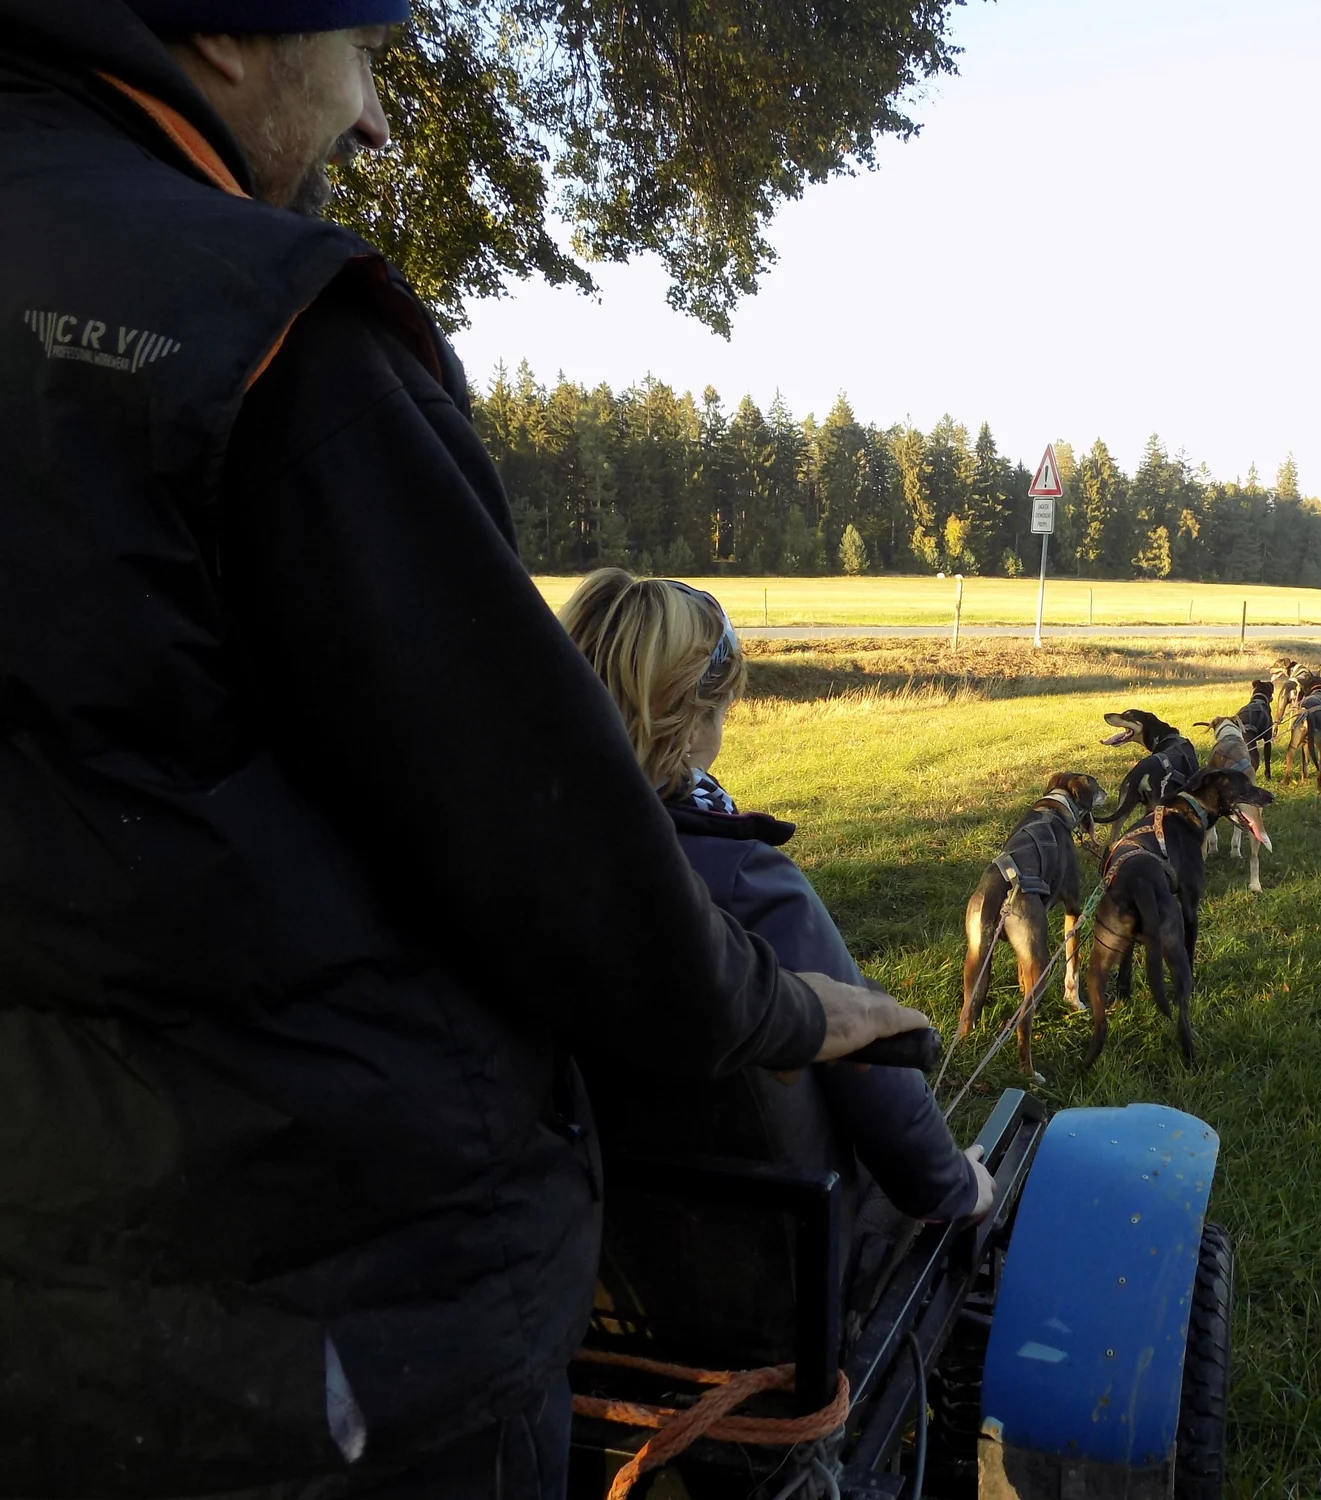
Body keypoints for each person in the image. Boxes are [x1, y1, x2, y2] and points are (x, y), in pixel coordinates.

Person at [0, 4, 925, 1497]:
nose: (377, 125)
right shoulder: (258, 328)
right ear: (229, 33)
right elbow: (555, 853)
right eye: (364, 57)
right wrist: (791, 1010)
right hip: (334, 1335)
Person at [560, 569, 995, 1225]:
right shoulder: (743, 880)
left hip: (591, 1233)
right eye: (722, 709)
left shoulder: (528, 868)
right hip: (785, 1245)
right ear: (691, 721)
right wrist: (955, 1186)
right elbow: (866, 1063)